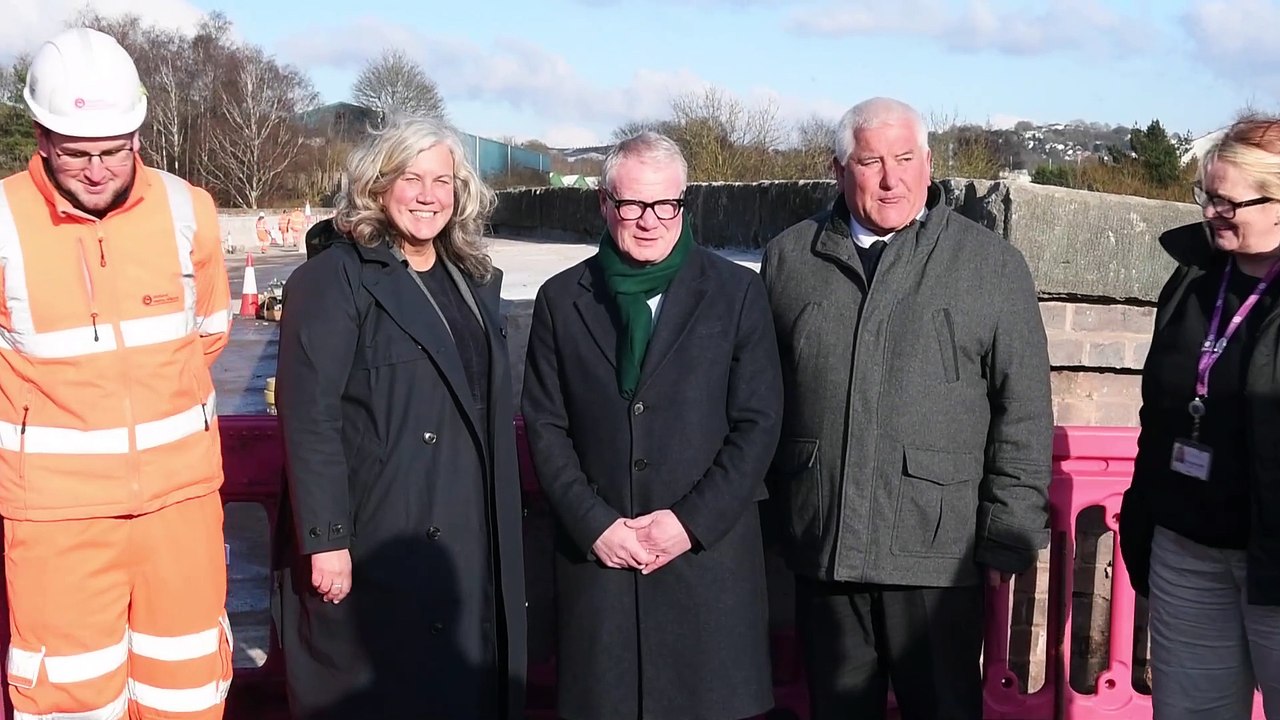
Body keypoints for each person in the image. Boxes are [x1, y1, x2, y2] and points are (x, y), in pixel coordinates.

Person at [760, 97, 1053, 720]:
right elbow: (761, 398)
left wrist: (1009, 534)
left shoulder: (991, 265)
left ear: (928, 163)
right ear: (839, 168)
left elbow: (1023, 413)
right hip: (825, 544)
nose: (891, 179)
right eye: (871, 161)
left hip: (938, 556)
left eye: (905, 159)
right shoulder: (789, 258)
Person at [0, 27, 234, 719]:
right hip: (55, 518)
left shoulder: (188, 209)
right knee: (70, 697)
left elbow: (211, 333)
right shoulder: (5, 220)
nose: (98, 168)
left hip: (181, 505)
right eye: (76, 153)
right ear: (41, 138)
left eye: (113, 149)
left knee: (186, 687)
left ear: (137, 133)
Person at [522, 131, 783, 720]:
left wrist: (689, 523)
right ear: (604, 204)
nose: (650, 220)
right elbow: (545, 425)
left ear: (683, 204)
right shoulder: (562, 300)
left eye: (666, 204)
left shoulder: (737, 293)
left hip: (706, 568)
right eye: (633, 204)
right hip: (601, 572)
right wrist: (595, 525)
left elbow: (759, 424)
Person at [273, 116, 527, 720]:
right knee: (384, 689)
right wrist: (326, 539)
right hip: (379, 526)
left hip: (463, 523)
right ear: (378, 184)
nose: (428, 194)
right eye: (411, 178)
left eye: (443, 180)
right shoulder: (333, 278)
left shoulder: (469, 275)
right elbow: (310, 415)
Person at [1120, 115, 1280, 719]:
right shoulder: (1191, 281)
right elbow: (1158, 414)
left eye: (1228, 201)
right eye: (1206, 197)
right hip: (1186, 547)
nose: (1211, 212)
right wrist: (1146, 516)